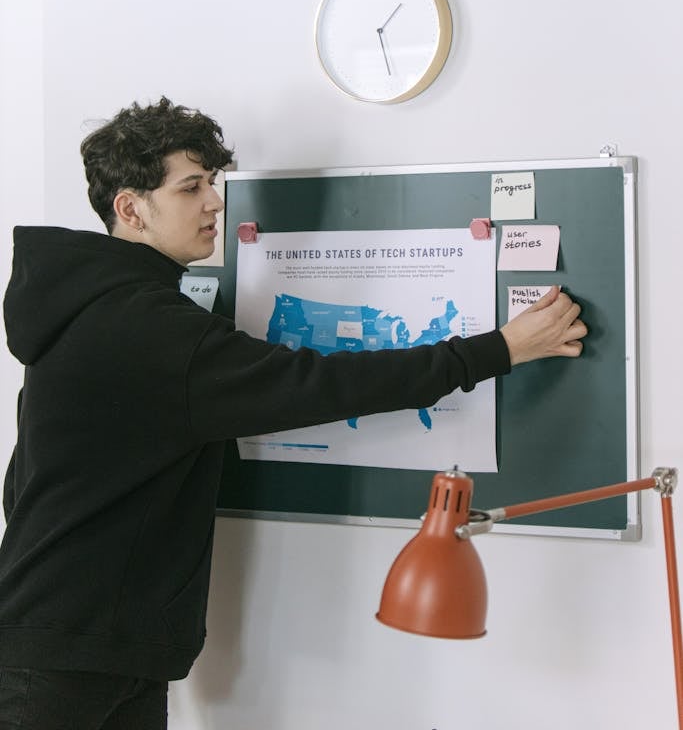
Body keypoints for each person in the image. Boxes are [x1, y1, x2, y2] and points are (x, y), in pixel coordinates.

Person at [0, 97, 587, 729]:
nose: (215, 203)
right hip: (66, 656)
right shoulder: (147, 327)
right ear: (131, 208)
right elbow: (317, 384)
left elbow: (25, 480)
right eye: (191, 187)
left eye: (214, 184)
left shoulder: (92, 309)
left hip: (88, 643)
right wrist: (499, 348)